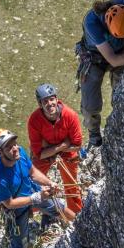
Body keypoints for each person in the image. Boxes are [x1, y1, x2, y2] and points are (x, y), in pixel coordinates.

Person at [77, 0, 124, 146]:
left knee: (123, 91)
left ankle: (121, 115)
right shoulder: (92, 23)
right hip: (94, 58)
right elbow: (113, 60)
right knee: (90, 103)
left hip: (121, 50)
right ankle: (94, 132)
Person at [27, 84, 84, 215]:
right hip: (51, 150)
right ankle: (32, 210)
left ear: (57, 99)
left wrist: (54, 149)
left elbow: (77, 144)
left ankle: (76, 214)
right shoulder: (34, 120)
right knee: (33, 180)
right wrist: (62, 146)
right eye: (45, 101)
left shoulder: (70, 115)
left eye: (52, 99)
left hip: (63, 151)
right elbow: (38, 153)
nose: (50, 104)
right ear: (40, 104)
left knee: (71, 184)